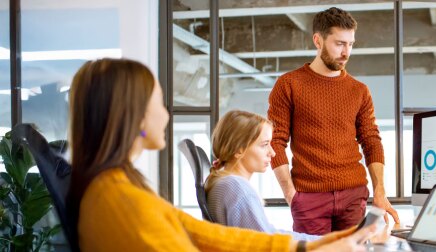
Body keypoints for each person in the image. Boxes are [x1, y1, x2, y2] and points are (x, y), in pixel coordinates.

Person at [65, 58, 375, 251]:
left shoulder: (120, 188)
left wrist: (327, 243)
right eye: (159, 102)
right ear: (134, 115)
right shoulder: (122, 202)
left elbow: (209, 235)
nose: (167, 114)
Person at [268, 7, 398, 235]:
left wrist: (380, 190)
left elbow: (371, 141)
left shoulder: (359, 90)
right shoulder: (288, 84)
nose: (346, 52)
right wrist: (290, 194)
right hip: (308, 198)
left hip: (353, 196)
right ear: (318, 41)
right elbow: (275, 141)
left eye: (351, 44)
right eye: (339, 44)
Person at [205, 110, 320, 241]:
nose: (272, 153)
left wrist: (321, 240)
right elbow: (265, 242)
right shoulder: (237, 189)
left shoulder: (224, 182)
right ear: (239, 149)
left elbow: (269, 233)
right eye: (264, 145)